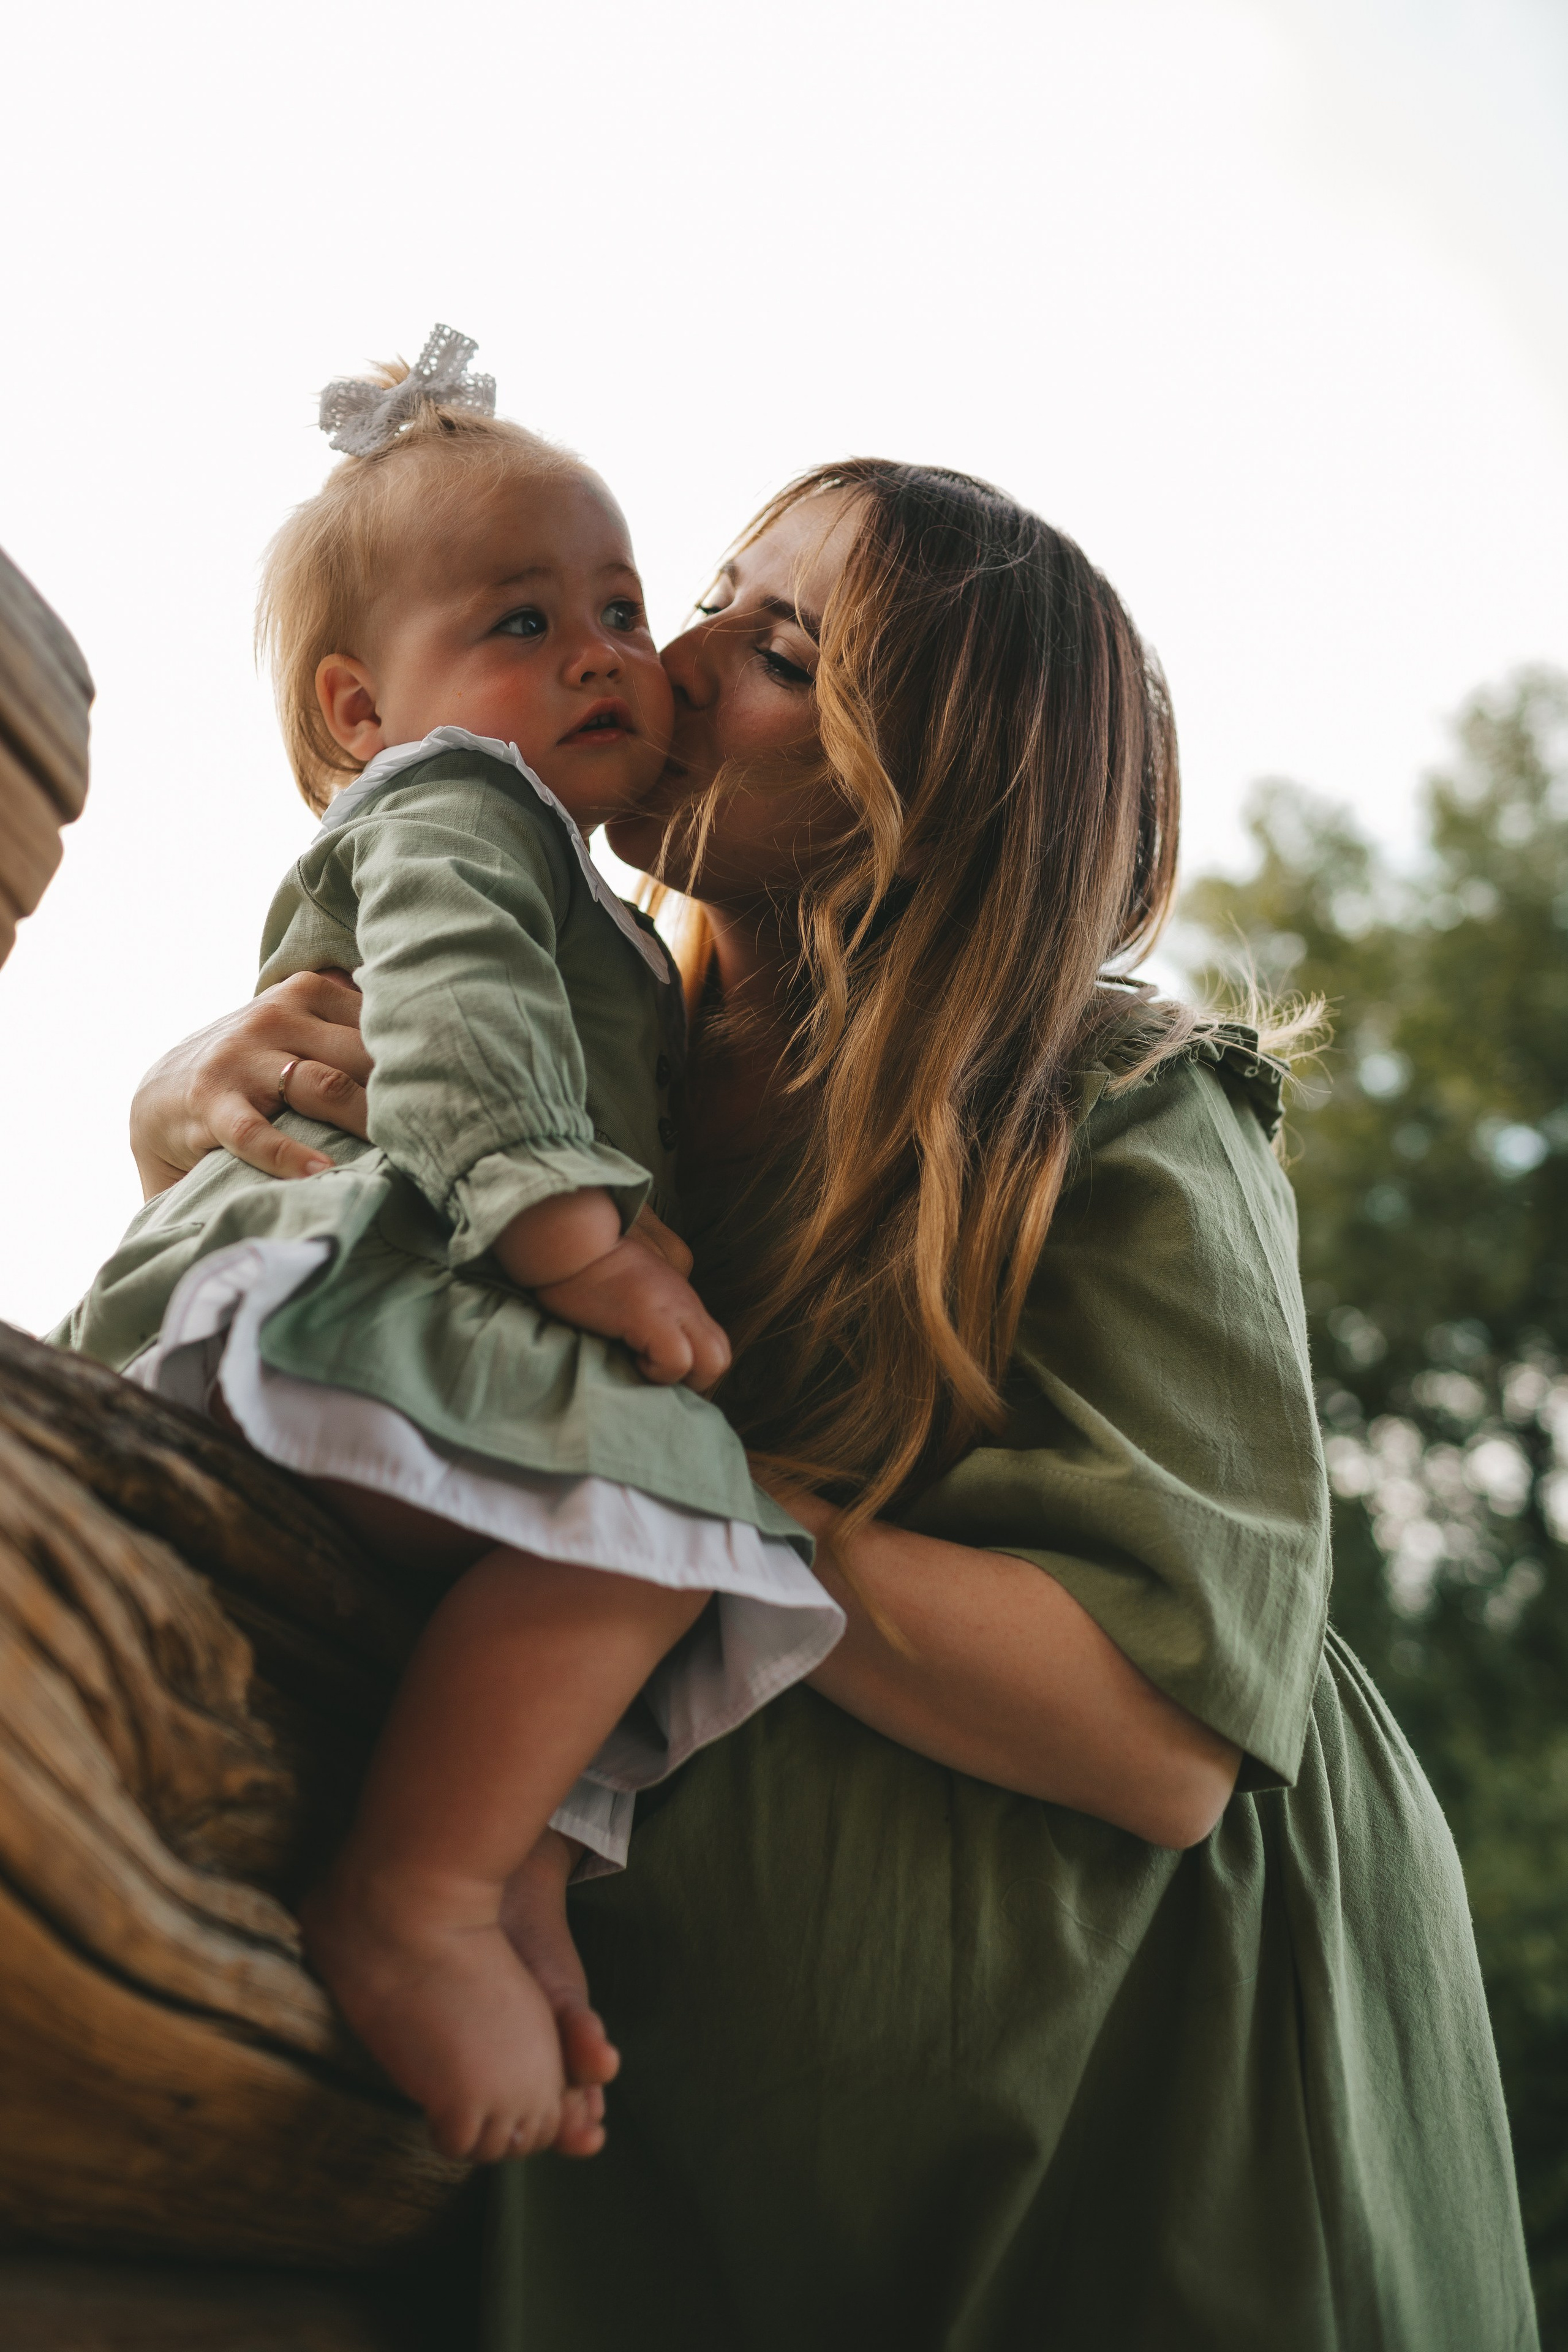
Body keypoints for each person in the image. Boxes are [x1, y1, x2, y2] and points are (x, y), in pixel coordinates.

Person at [125, 458, 1538, 2351]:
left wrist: (659, 1495)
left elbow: (1156, 1723)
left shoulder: (1107, 1104)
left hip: (1133, 2106)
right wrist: (188, 1109)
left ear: (931, 789)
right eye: (710, 591)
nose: (677, 655)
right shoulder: (589, 1052)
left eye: (785, 651)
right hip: (702, 2141)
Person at [55, 330, 843, 2170]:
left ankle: (512, 1897)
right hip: (368, 1290)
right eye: (516, 621)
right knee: (658, 1509)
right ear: (360, 711)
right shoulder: (450, 809)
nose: (596, 653)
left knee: (613, 1546)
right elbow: (466, 1022)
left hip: (419, 1306)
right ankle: (417, 1894)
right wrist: (586, 1254)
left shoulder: (591, 898)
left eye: (619, 606)